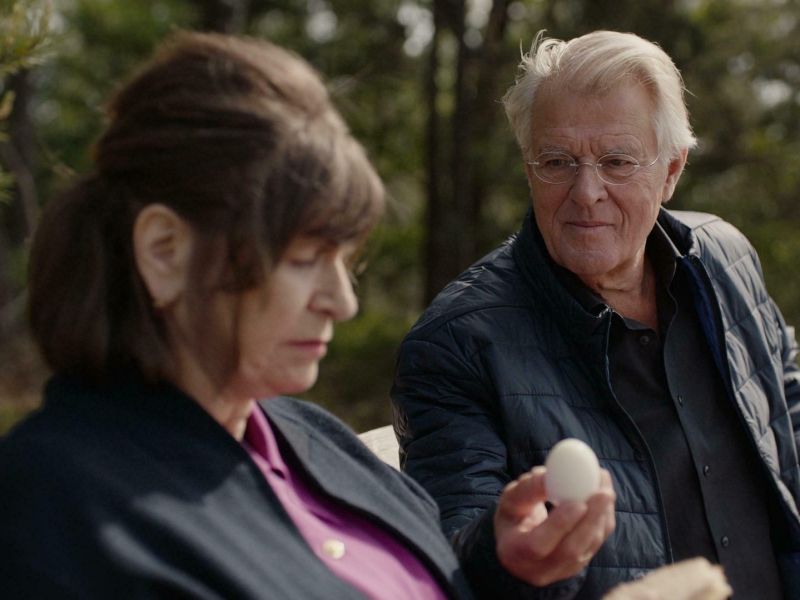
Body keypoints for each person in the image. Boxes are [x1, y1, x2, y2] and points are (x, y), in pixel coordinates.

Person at [0, 31, 475, 599]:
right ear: (165, 251)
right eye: (303, 260)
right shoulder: (58, 512)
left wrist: (507, 568)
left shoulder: (306, 433)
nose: (342, 302)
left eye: (345, 261)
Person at [392, 30, 800, 599]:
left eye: (617, 161)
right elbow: (453, 551)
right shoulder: (457, 344)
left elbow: (784, 406)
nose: (586, 192)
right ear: (529, 168)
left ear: (672, 170)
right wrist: (508, 559)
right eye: (557, 161)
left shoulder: (724, 258)